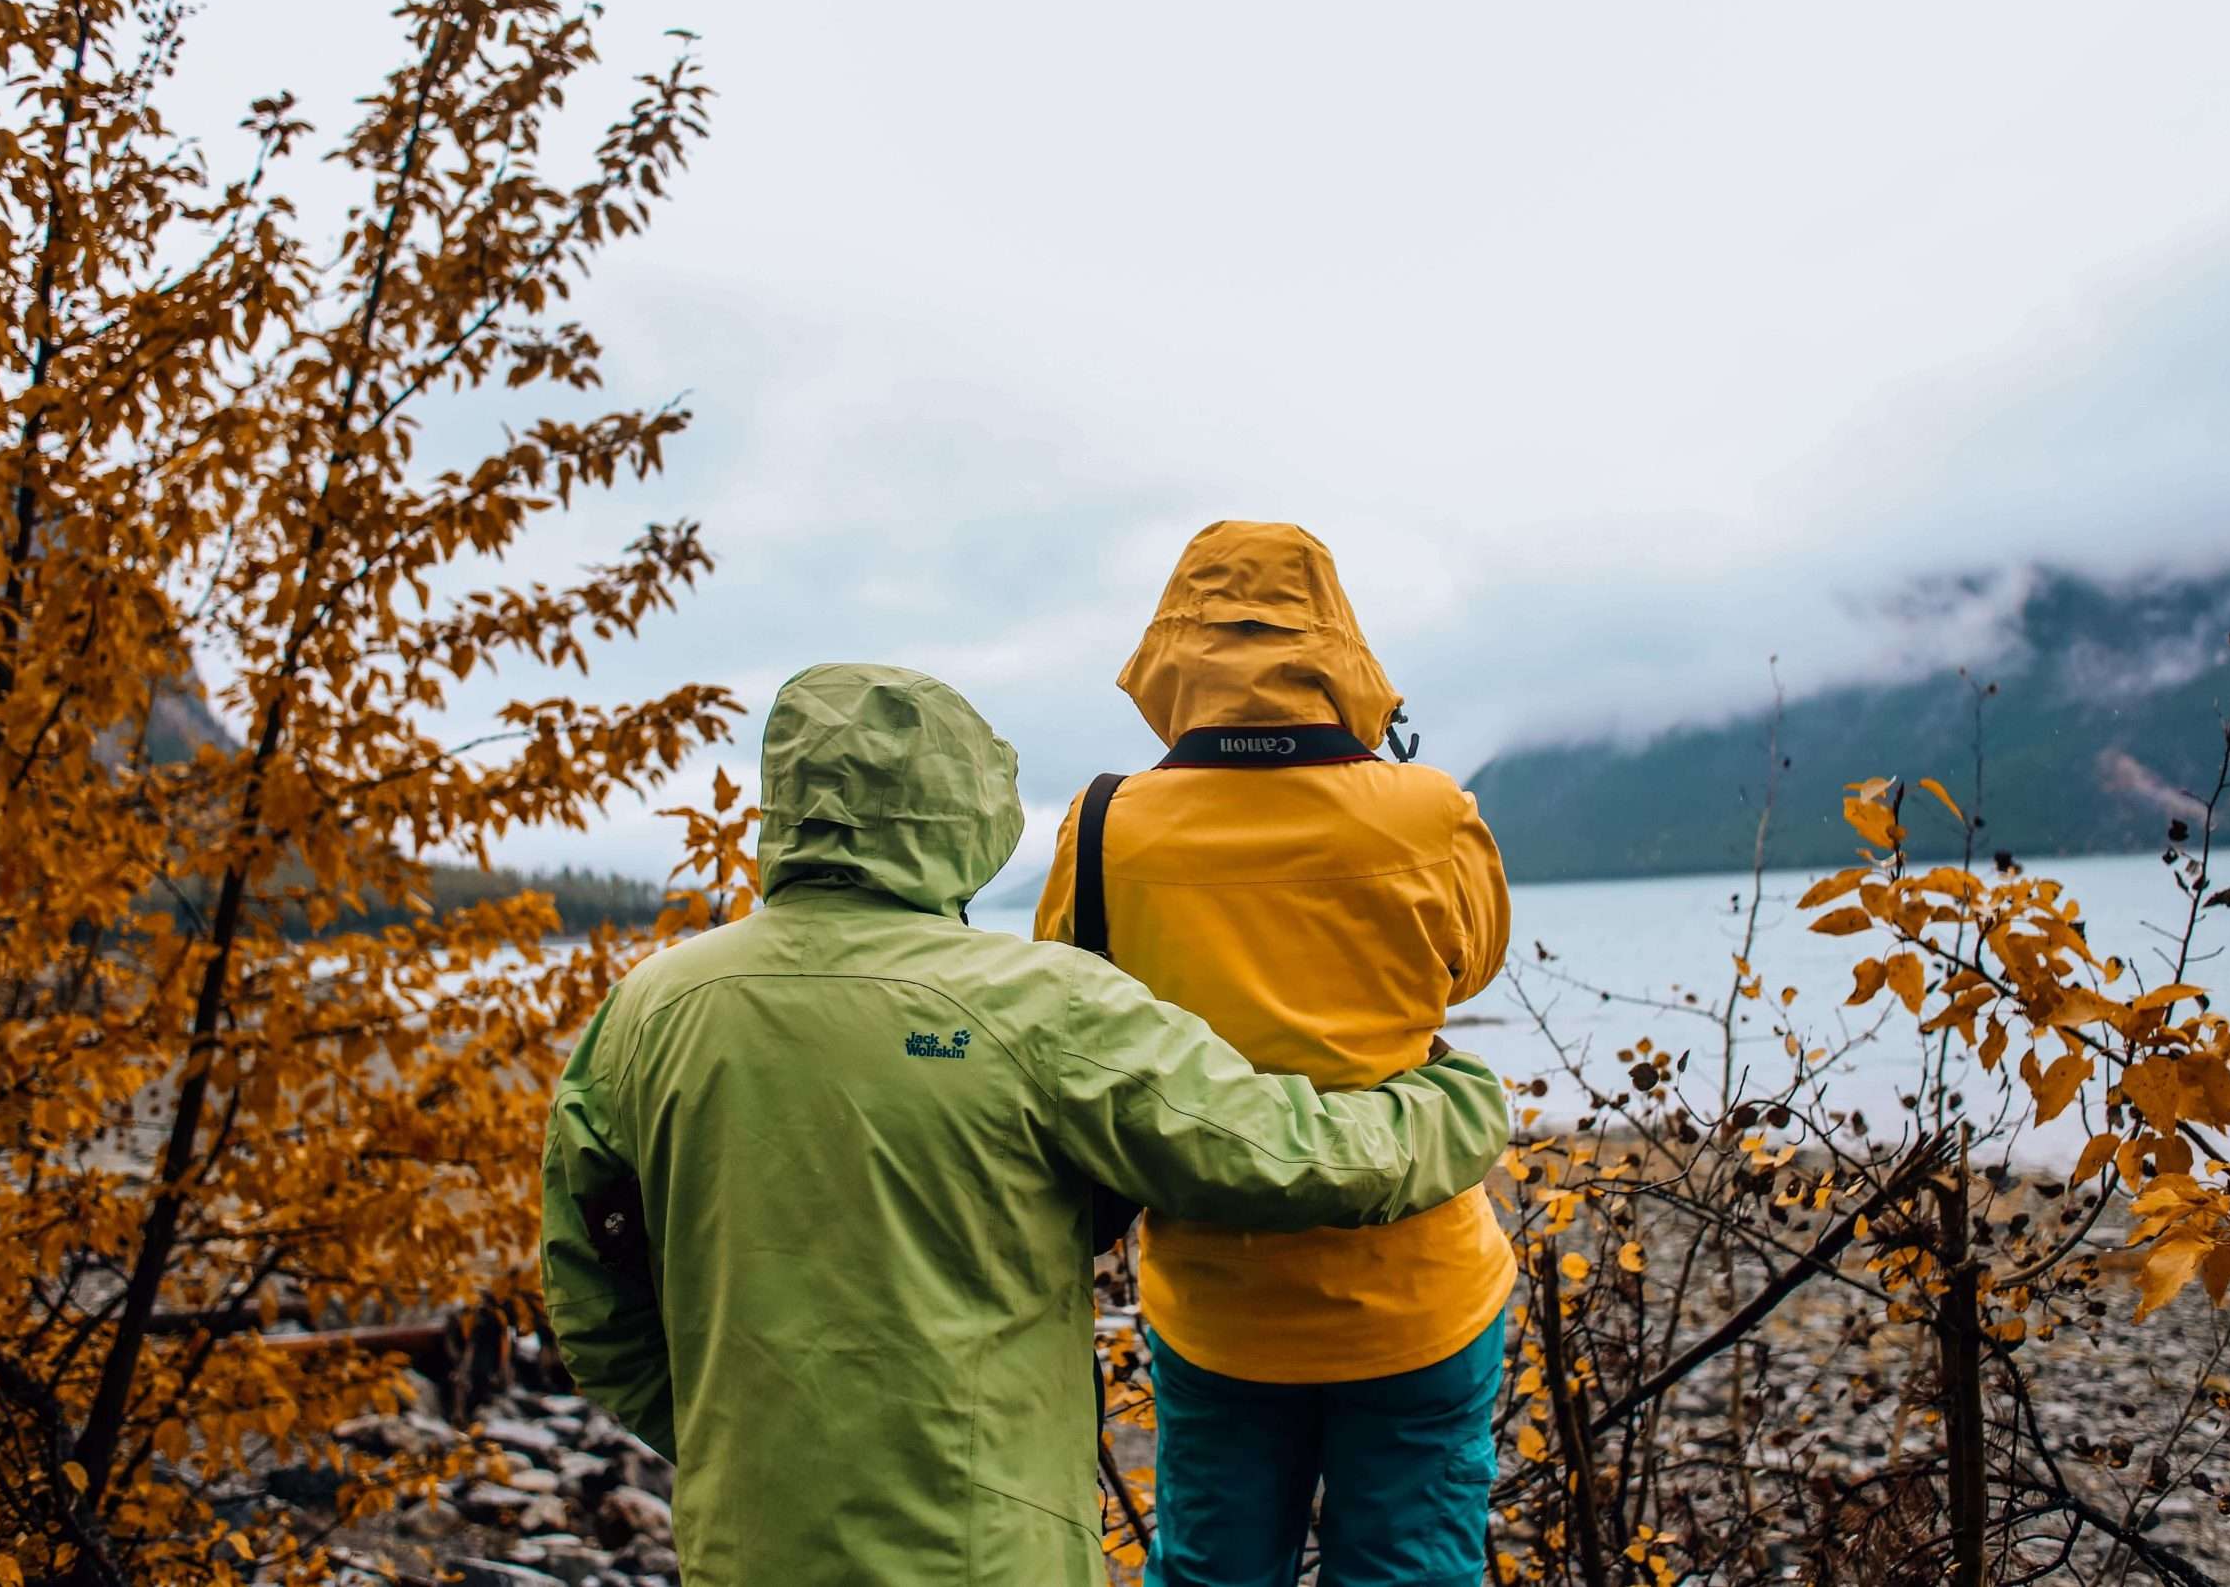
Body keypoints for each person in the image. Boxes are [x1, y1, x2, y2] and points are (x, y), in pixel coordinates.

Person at [538, 662, 1512, 1587]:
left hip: (747, 1541)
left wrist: (732, 1439)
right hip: (988, 1547)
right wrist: (1455, 1105)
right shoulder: (1034, 1007)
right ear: (967, 805)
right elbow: (1282, 1158)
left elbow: (591, 1295)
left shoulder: (646, 1012)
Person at [1035, 520, 1515, 1587]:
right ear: (1337, 641)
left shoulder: (1104, 823)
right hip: (1420, 1288)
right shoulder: (1429, 811)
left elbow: (1066, 1011)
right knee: (1410, 1573)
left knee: (1212, 1572)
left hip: (1216, 1299)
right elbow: (1468, 967)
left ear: (1171, 649)